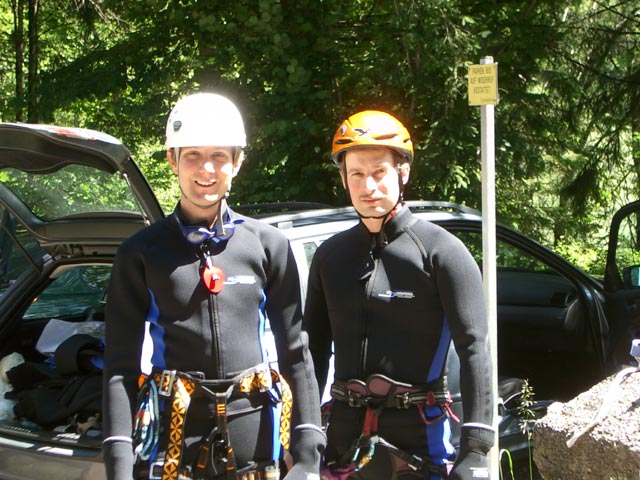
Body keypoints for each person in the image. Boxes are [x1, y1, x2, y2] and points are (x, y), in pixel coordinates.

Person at [102, 92, 325, 480]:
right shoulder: (141, 253)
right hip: (175, 446)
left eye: (220, 156)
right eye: (192, 155)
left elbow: (296, 353)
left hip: (255, 441)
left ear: (237, 163)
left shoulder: (268, 245)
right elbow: (120, 367)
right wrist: (119, 464)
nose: (206, 168)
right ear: (172, 160)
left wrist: (307, 453)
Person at [303, 110, 494, 479]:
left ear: (402, 173)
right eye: (356, 174)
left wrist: (477, 449)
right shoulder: (330, 256)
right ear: (343, 178)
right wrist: (306, 440)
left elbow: (475, 348)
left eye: (379, 173)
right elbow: (311, 354)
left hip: (418, 445)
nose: (368, 186)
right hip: (344, 442)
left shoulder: (442, 252)